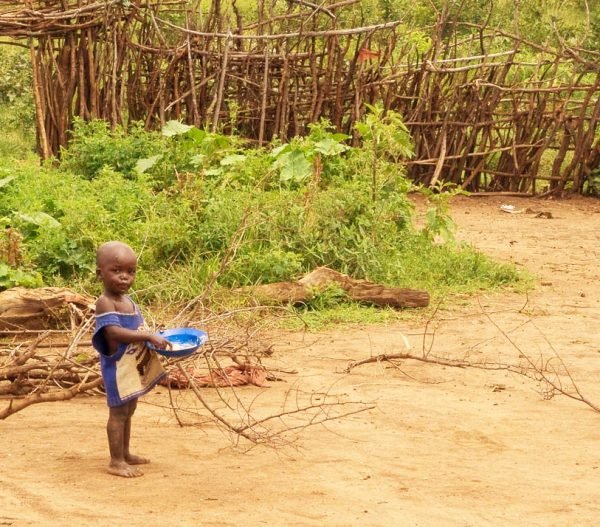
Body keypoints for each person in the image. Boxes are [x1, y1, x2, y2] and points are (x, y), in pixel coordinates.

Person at [92, 241, 172, 477]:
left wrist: (155, 337)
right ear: (100, 273)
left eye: (130, 271)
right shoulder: (105, 302)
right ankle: (115, 461)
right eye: (116, 271)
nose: (124, 277)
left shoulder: (130, 302)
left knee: (129, 409)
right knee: (117, 413)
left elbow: (138, 330)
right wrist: (147, 335)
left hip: (131, 367)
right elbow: (113, 333)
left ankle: (125, 453)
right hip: (117, 368)